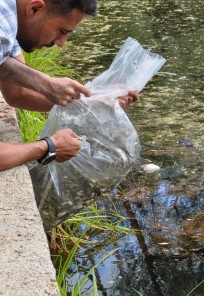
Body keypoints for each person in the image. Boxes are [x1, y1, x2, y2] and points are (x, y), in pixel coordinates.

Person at [0, 0, 137, 171]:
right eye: (62, 31)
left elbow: (18, 93)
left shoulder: (9, 18)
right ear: (35, 8)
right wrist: (48, 146)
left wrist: (95, 103)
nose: (61, 42)